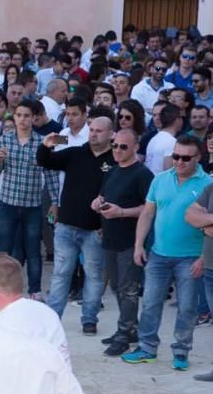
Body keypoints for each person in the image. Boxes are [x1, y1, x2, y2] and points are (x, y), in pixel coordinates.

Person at [123, 136, 209, 371]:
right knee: (150, 303)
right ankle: (147, 349)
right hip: (158, 254)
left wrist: (204, 257)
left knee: (188, 308)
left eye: (185, 158)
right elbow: (148, 214)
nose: (179, 162)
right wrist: (139, 245)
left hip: (191, 257)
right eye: (176, 156)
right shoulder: (160, 180)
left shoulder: (207, 184)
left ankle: (181, 352)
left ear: (198, 158)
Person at [37, 117, 116, 335]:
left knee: (94, 276)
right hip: (66, 227)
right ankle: (53, 319)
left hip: (94, 230)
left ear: (111, 134)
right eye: (91, 130)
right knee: (61, 274)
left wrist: (105, 224)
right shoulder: (75, 153)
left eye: (99, 130)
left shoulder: (115, 160)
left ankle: (89, 319)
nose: (93, 134)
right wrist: (45, 145)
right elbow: (45, 161)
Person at [91, 129, 152, 356]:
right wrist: (98, 202)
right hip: (110, 238)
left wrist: (122, 212)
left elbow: (149, 208)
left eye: (123, 147)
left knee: (128, 290)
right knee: (117, 287)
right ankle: (129, 328)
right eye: (115, 145)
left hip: (131, 240)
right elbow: (105, 195)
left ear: (135, 147)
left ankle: (125, 333)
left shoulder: (143, 174)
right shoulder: (113, 171)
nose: (117, 150)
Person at [0, 101, 58, 299]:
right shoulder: (4, 140)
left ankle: (34, 290)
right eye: (19, 115)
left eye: (27, 115)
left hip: (32, 205)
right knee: (4, 249)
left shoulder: (42, 142)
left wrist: (54, 202)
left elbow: (51, 174)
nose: (22, 119)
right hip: (8, 203)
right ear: (14, 117)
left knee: (33, 250)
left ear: (33, 118)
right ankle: (1, 288)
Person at [185, 170, 213, 381]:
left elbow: (199, 218)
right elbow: (190, 215)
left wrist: (205, 222)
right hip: (210, 265)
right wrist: (206, 223)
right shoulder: (211, 188)